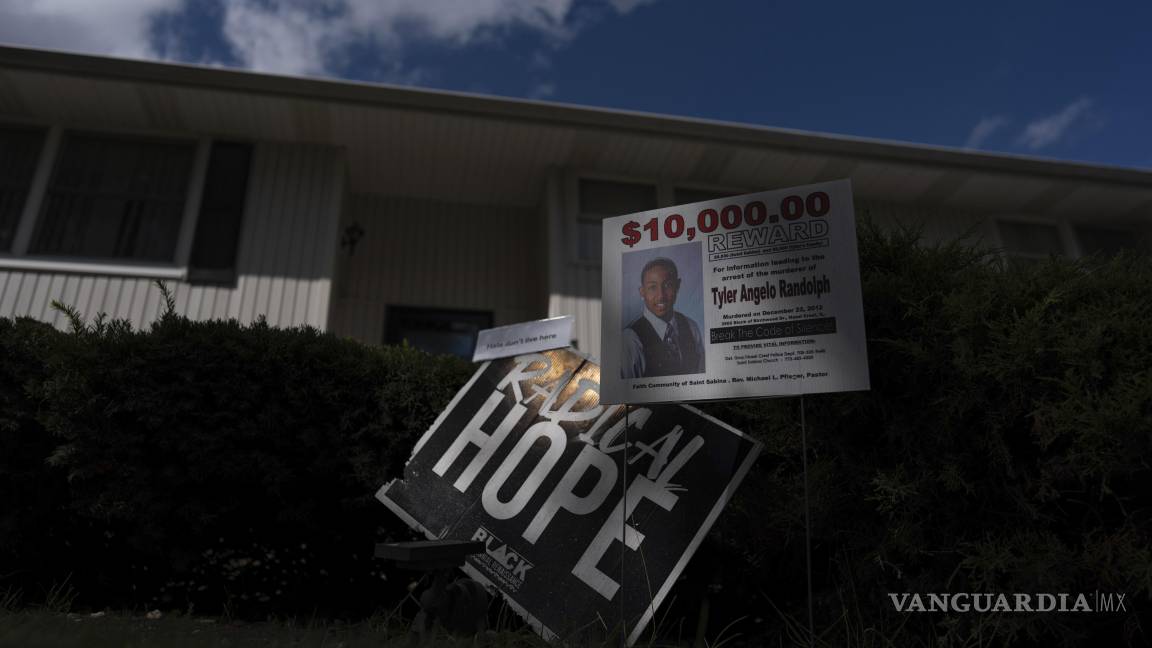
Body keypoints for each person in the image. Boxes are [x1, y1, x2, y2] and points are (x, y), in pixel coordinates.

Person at [621, 257, 705, 378]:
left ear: (677, 286)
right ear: (642, 292)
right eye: (652, 287)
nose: (661, 296)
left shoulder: (691, 327)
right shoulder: (630, 339)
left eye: (667, 285)